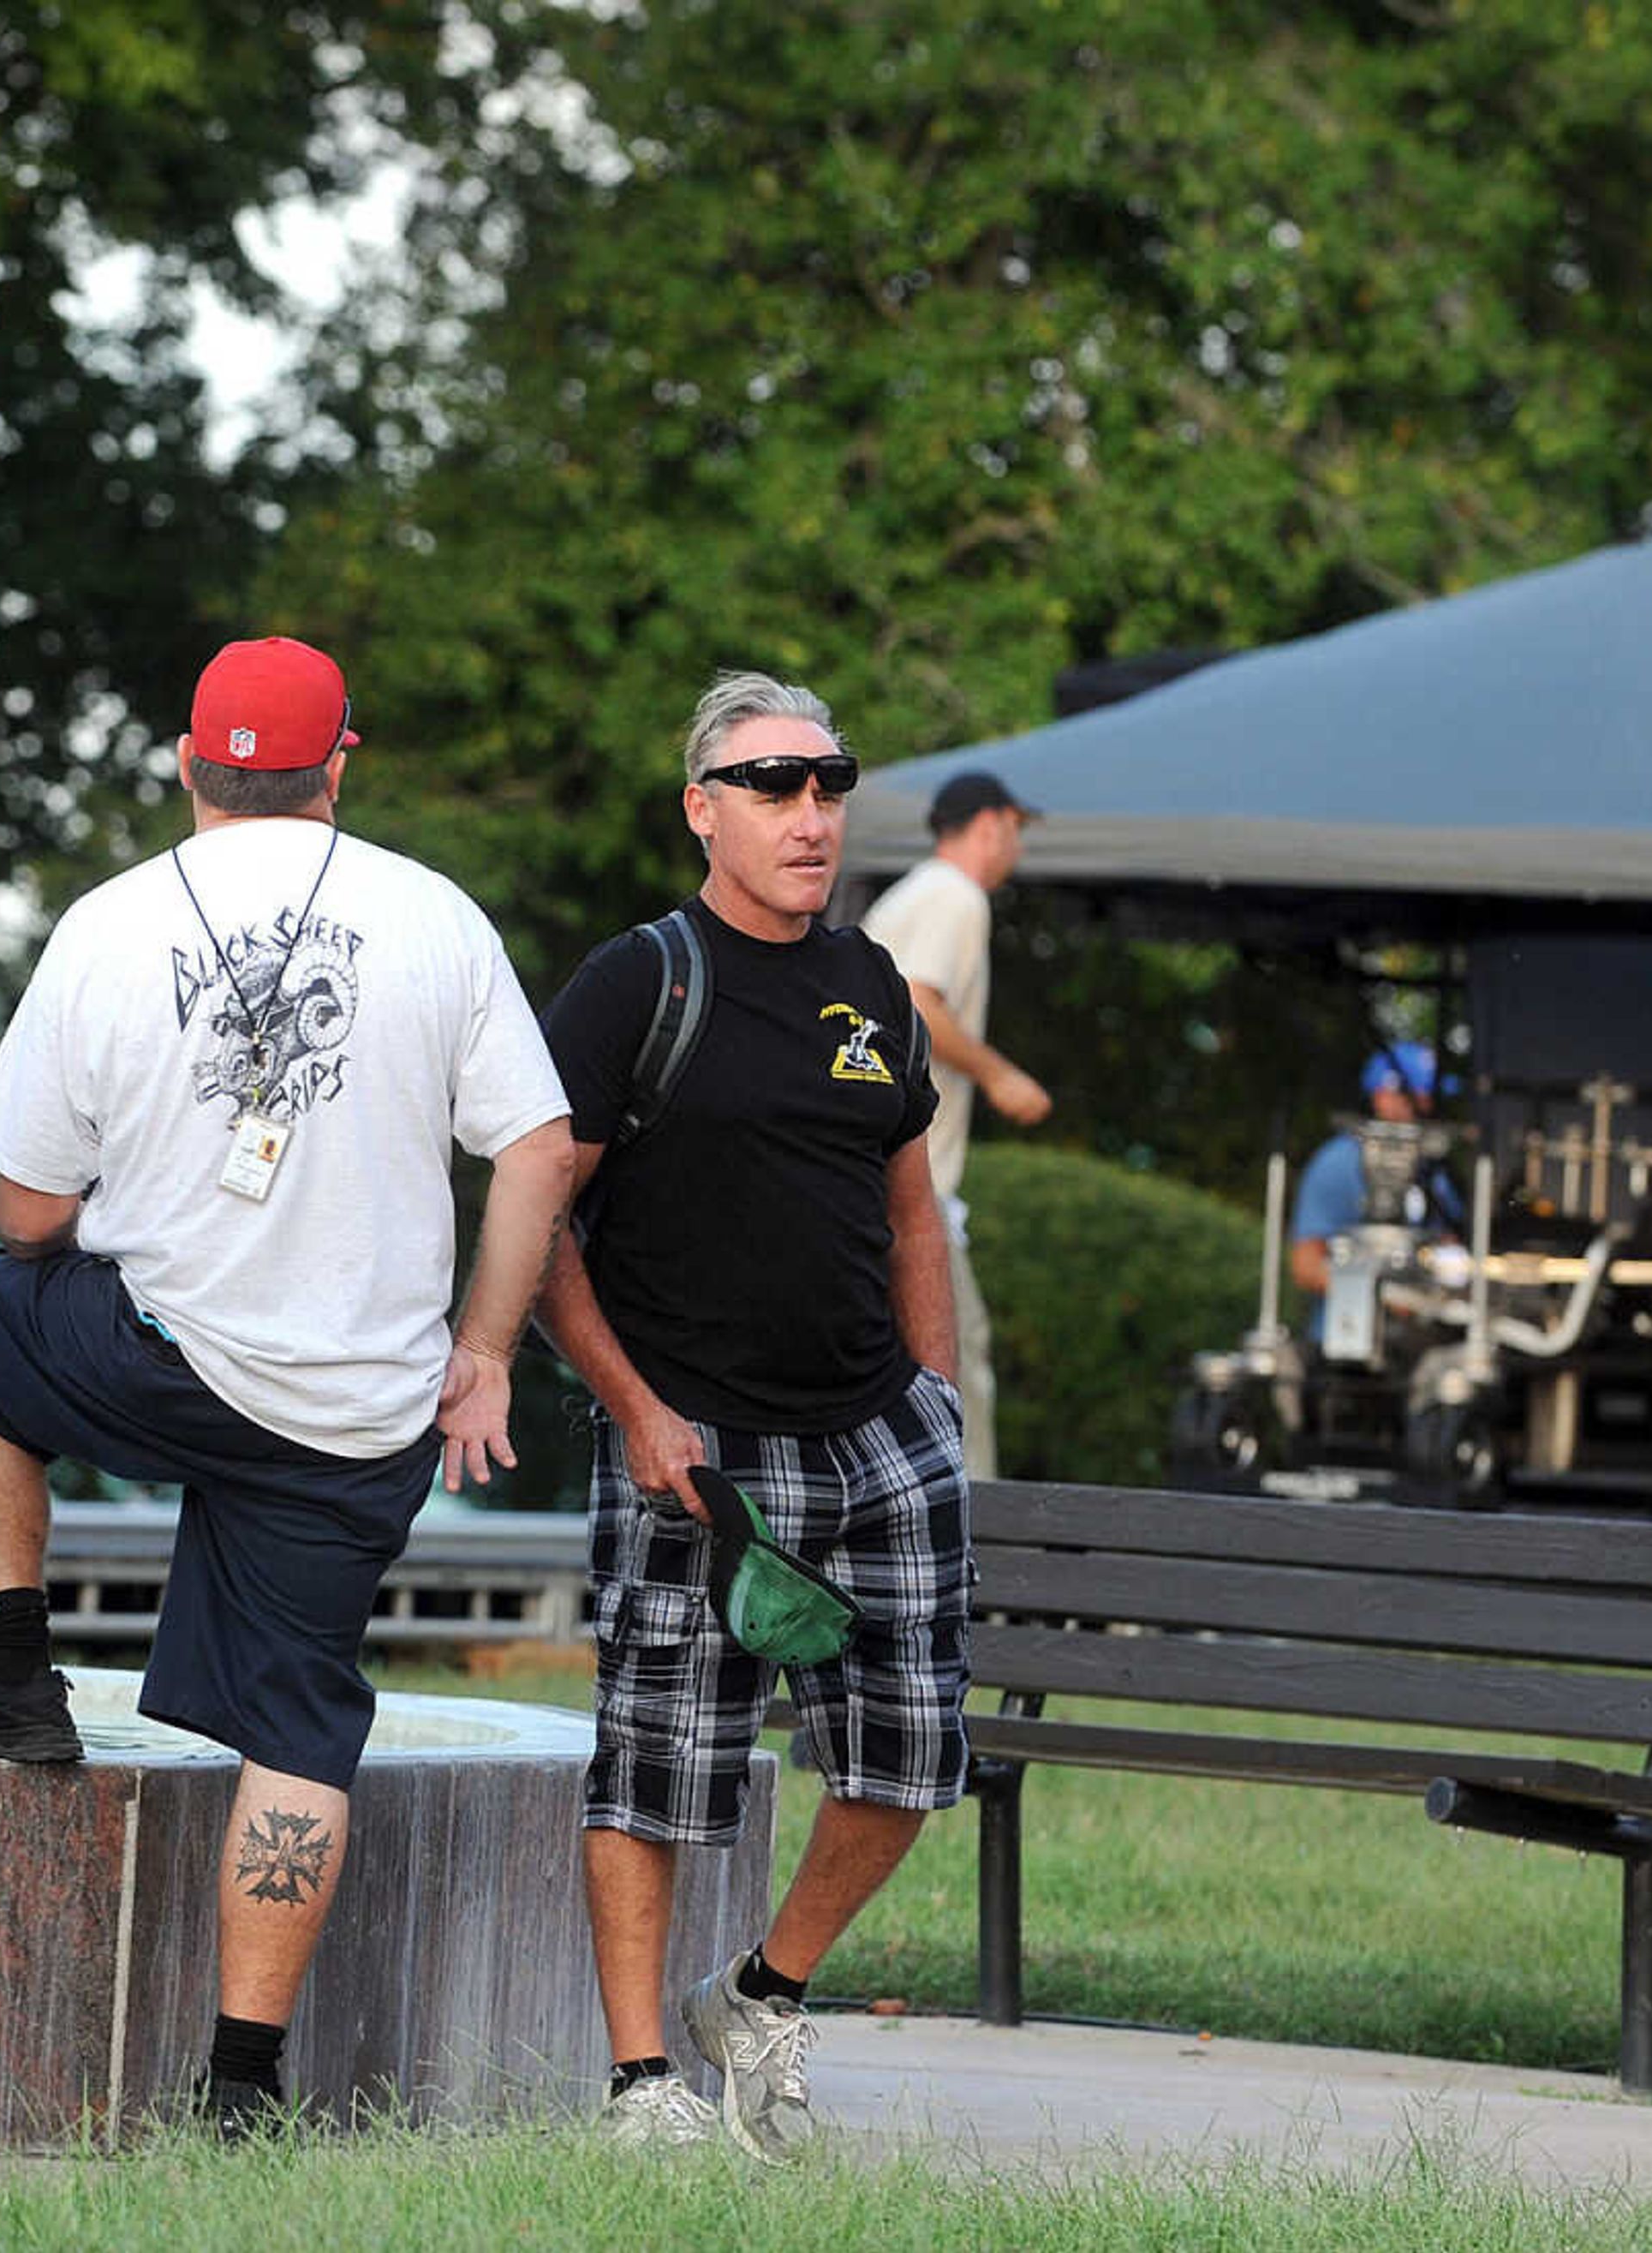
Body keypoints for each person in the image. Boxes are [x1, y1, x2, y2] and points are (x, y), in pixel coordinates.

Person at [0, 636, 576, 2133]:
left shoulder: (112, 923)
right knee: (302, 1726)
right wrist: (483, 1349)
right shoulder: (435, 917)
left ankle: (6, 1658)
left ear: (187, 763)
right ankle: (240, 2089)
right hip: (361, 1408)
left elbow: (27, 1220)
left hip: (159, 1360)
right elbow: (539, 1146)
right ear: (339, 766)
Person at [536, 671, 968, 2160]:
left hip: (875, 1432)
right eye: (774, 785)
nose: (810, 813)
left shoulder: (875, 985)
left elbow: (913, 1210)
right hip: (697, 1440)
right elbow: (541, 1224)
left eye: (830, 783)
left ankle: (766, 1993)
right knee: (659, 1765)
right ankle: (643, 2084)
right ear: (702, 808)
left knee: (910, 1759)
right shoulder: (636, 983)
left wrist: (938, 1398)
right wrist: (638, 1413)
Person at [859, 768, 1047, 1481]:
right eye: (1016, 833)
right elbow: (919, 1002)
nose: (1017, 850)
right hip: (906, 1185)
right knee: (956, 1354)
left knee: (897, 1365)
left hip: (867, 1174)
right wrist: (998, 1072)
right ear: (992, 823)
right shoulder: (955, 896)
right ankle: (967, 1532)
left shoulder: (911, 894)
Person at [1287, 1042, 1464, 1344]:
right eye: (1417, 1095)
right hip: (1342, 1353)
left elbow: (1450, 1248)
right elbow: (1305, 1266)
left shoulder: (1432, 1167)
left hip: (1420, 1348)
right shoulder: (1340, 1163)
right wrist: (1387, 1295)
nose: (1427, 1105)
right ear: (1383, 1096)